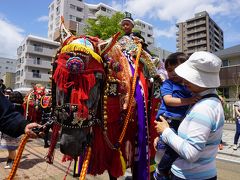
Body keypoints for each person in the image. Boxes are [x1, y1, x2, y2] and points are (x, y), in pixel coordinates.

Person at [154, 51, 224, 180]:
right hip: (202, 172)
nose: (183, 79)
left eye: (188, 76)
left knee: (165, 155)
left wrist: (166, 132)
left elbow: (191, 153)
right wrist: (164, 135)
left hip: (189, 175)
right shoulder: (209, 100)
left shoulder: (204, 107)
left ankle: (160, 170)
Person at [153, 52, 199, 179]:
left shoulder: (188, 84)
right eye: (169, 70)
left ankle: (166, 168)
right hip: (168, 119)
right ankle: (161, 170)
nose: (172, 73)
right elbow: (168, 100)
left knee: (176, 147)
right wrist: (189, 100)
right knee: (173, 148)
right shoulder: (168, 84)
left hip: (180, 120)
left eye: (176, 69)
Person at [0, 89, 24, 168]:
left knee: (11, 148)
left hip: (9, 129)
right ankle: (11, 161)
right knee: (12, 148)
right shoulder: (22, 107)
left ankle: (11, 162)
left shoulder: (10, 106)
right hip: (17, 129)